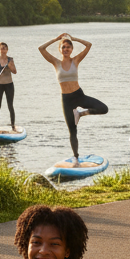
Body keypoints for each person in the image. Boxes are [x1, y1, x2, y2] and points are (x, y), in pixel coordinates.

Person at [37, 32, 108, 166]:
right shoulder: (55, 62)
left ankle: (81, 113)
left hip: (78, 95)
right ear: (60, 49)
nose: (66, 49)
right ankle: (76, 158)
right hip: (66, 100)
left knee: (103, 108)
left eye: (68, 47)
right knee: (72, 131)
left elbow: (88, 45)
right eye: (63, 47)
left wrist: (73, 38)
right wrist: (56, 39)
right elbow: (41, 48)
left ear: (72, 49)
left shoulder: (76, 60)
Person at [0, 41, 19, 133]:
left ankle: (13, 126)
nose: (3, 50)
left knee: (10, 105)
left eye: (5, 48)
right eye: (1, 48)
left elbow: (15, 72)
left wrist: (10, 66)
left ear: (7, 50)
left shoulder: (10, 60)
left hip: (9, 85)